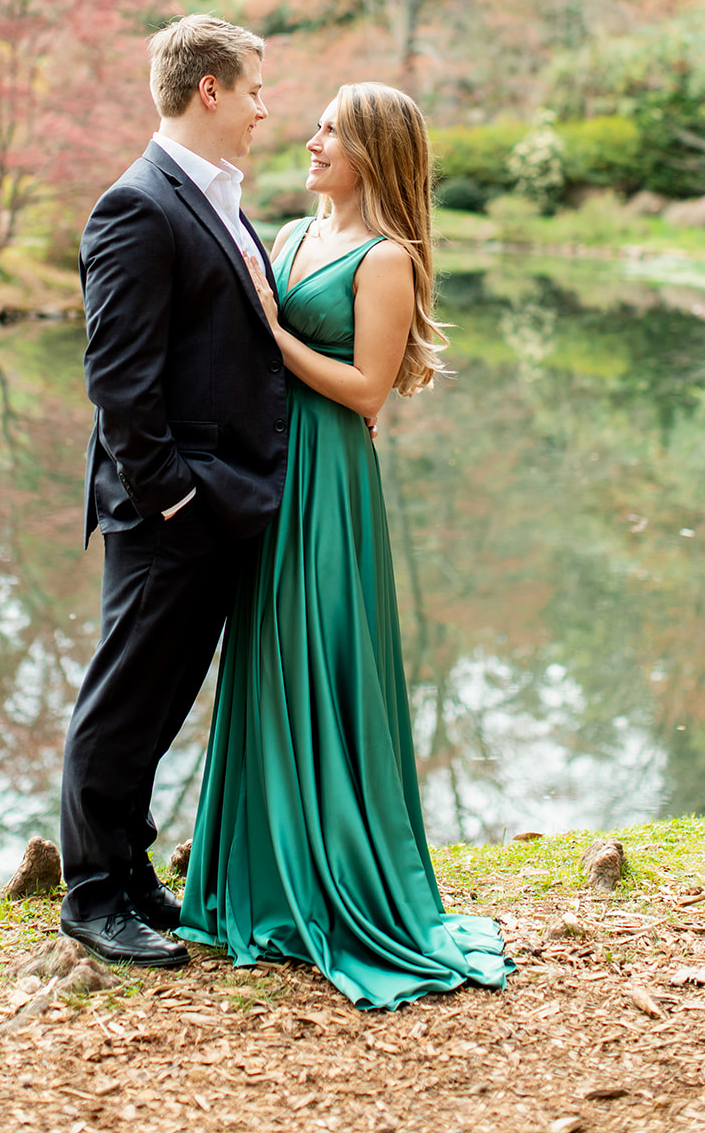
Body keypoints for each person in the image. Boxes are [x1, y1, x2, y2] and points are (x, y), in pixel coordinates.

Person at [176, 82, 515, 1008]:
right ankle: (261, 878)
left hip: (330, 479)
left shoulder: (385, 258)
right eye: (319, 125)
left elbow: (366, 392)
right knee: (267, 659)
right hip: (272, 470)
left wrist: (271, 328)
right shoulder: (285, 236)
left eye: (332, 129)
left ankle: (339, 880)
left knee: (320, 655)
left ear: (372, 150)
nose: (313, 139)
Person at [59, 14, 289, 969]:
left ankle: (134, 871)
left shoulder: (217, 197)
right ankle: (92, 894)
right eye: (251, 91)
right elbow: (118, 380)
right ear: (208, 91)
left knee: (161, 700)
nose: (262, 111)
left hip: (216, 501)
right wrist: (174, 501)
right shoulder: (138, 206)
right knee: (123, 700)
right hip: (171, 509)